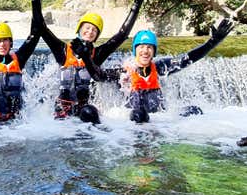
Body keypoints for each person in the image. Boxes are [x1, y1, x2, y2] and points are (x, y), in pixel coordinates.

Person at [32, 0, 147, 124]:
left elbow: (122, 34)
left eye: (94, 30)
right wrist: (35, 2)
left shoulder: (97, 54)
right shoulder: (62, 50)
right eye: (87, 28)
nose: (90, 32)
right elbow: (42, 29)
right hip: (63, 109)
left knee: (89, 112)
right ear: (79, 30)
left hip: (84, 110)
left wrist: (136, 6)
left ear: (96, 36)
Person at [91, 19, 234, 123]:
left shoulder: (160, 67)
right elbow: (98, 76)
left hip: (161, 120)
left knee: (195, 110)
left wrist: (213, 42)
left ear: (153, 52)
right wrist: (86, 58)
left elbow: (188, 58)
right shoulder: (123, 72)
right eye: (141, 47)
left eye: (149, 47)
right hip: (134, 124)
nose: (145, 51)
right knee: (139, 114)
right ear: (135, 50)